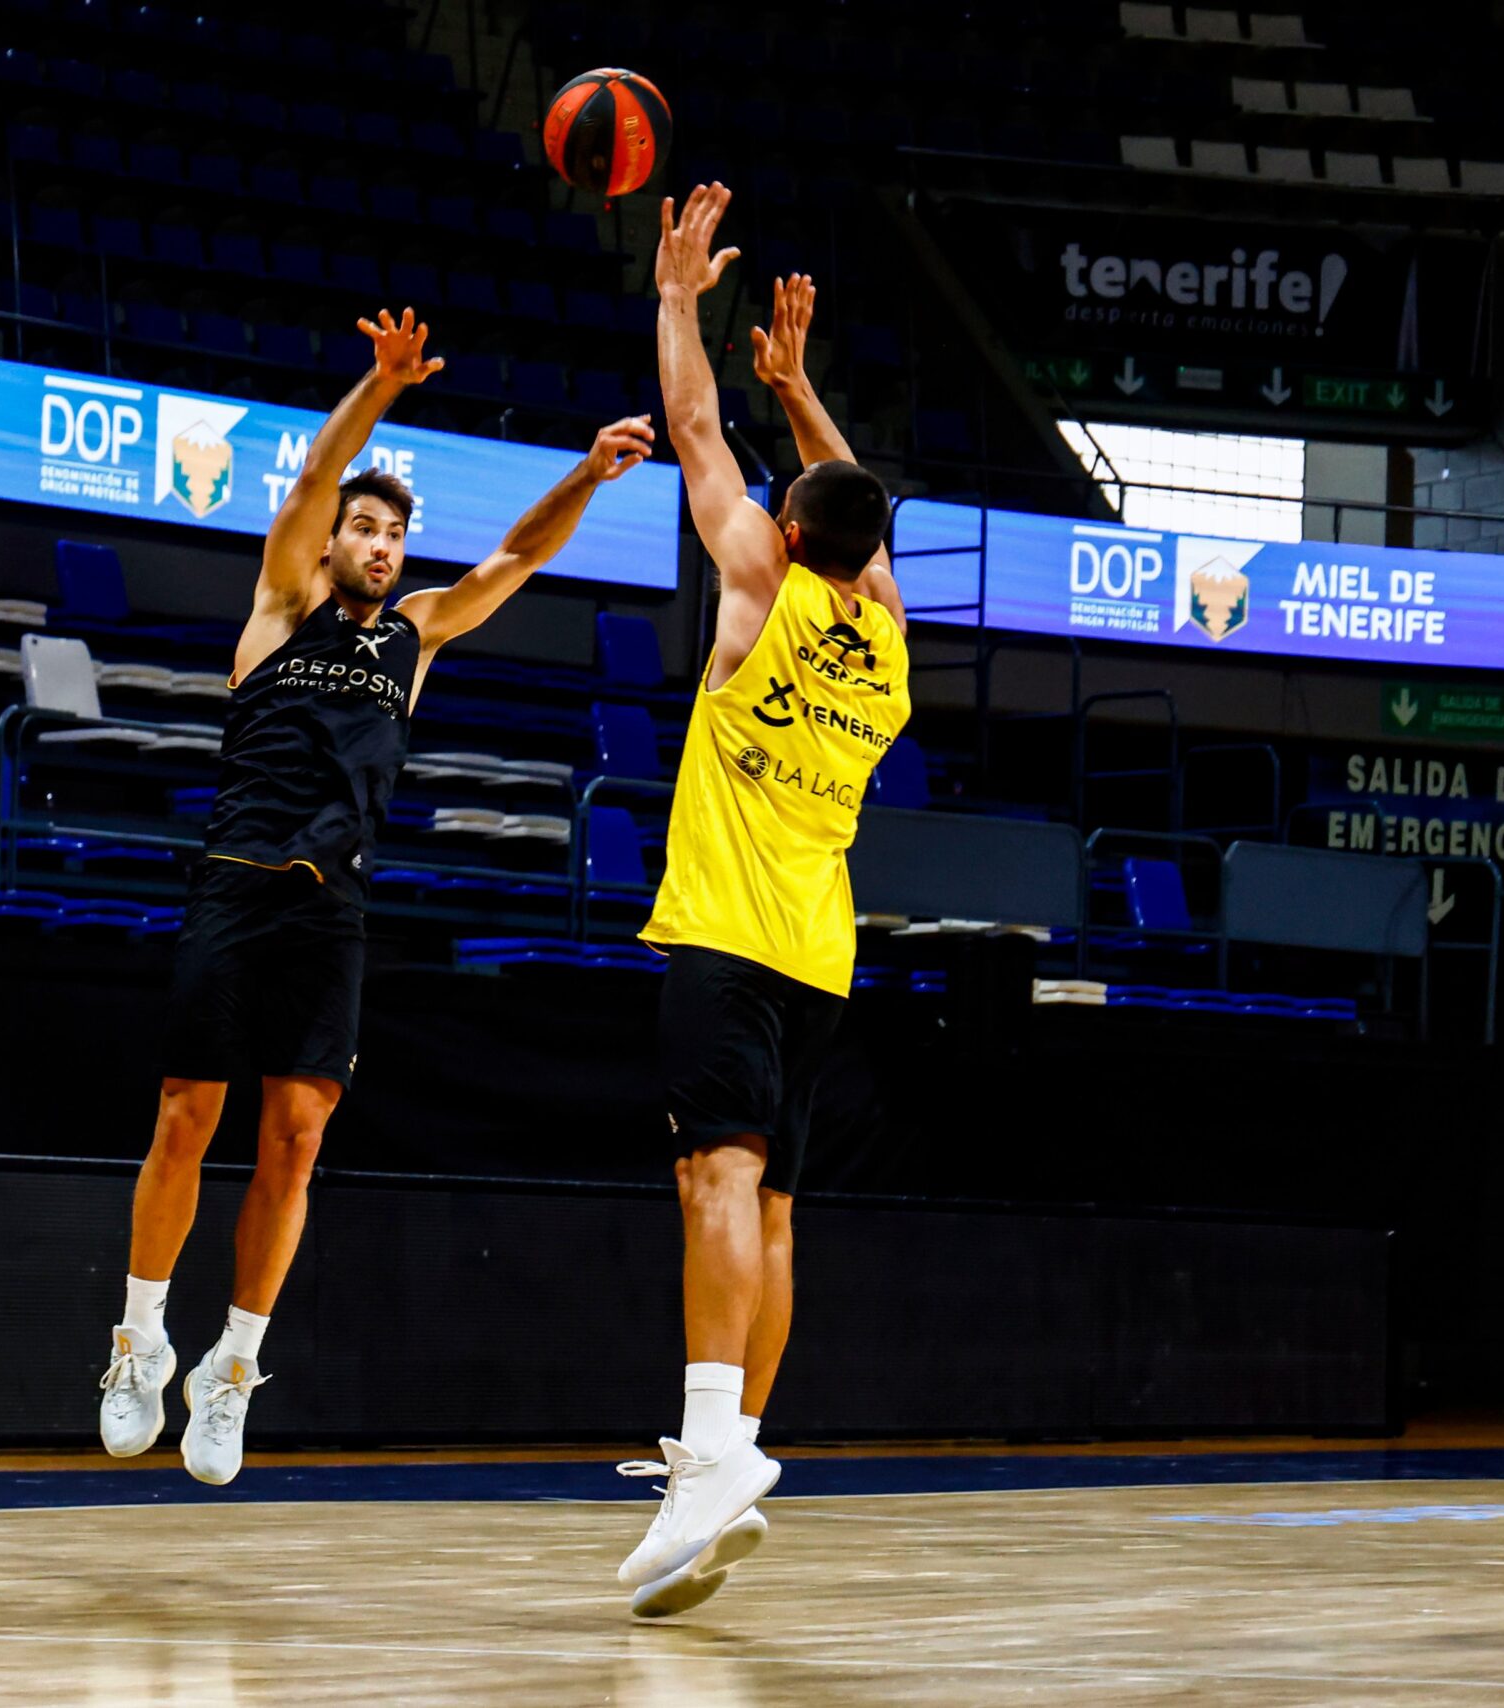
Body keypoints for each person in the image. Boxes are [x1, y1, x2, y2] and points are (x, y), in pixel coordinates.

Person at [100, 308, 654, 1485]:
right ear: (332, 541)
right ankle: (139, 1339)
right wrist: (383, 384)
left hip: (332, 909)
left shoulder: (415, 636)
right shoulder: (278, 608)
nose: (381, 546)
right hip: (236, 882)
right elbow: (309, 472)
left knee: (294, 1145)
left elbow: (518, 559)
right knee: (187, 1118)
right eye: (365, 528)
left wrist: (588, 476)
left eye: (395, 535)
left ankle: (232, 1368)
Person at [616, 190, 909, 1618]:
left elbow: (691, 435)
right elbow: (859, 513)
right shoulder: (884, 638)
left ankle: (712, 1448)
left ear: (787, 536)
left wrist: (679, 302)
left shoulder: (764, 588)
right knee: (776, 1208)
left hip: (728, 941)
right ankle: (727, 1456)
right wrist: (800, 388)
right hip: (821, 956)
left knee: (712, 1184)